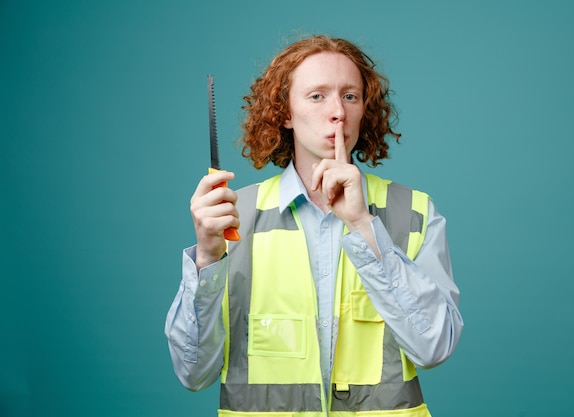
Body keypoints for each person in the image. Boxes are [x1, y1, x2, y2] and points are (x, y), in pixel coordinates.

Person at [165, 35, 463, 417]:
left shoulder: (414, 212)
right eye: (317, 96)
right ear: (284, 113)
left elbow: (434, 347)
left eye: (350, 96)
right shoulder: (231, 216)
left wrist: (362, 224)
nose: (337, 111)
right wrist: (207, 256)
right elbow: (193, 373)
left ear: (363, 110)